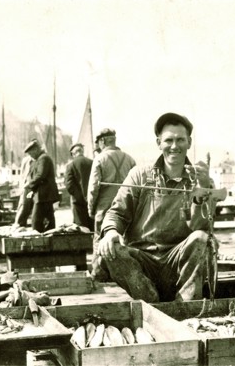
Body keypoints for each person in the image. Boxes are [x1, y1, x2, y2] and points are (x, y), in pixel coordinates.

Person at [96, 113, 216, 302]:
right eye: (168, 140)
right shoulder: (139, 176)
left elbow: (202, 228)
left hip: (178, 264)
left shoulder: (201, 181)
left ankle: (185, 306)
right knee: (110, 248)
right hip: (142, 264)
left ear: (189, 142)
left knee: (202, 239)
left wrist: (202, 191)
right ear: (159, 142)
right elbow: (117, 213)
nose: (174, 146)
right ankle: (148, 300)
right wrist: (110, 231)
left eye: (180, 140)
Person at [87, 128, 136, 280]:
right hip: (125, 206)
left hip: (104, 206)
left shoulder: (100, 159)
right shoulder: (129, 159)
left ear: (102, 141)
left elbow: (93, 188)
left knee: (99, 239)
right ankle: (123, 274)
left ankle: (99, 273)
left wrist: (91, 208)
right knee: (125, 239)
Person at [23, 139, 59, 233]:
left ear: (35, 150)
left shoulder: (43, 159)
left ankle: (40, 241)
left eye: (31, 153)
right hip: (41, 196)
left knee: (36, 222)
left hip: (44, 196)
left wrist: (29, 184)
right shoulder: (37, 160)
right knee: (48, 221)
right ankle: (49, 241)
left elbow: (40, 175)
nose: (30, 156)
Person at [64, 143, 94, 230]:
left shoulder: (70, 165)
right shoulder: (92, 162)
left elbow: (69, 185)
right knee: (92, 228)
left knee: (81, 228)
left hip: (78, 203)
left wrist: (78, 197)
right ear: (82, 151)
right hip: (92, 200)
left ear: (73, 154)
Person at [14, 152, 35, 227]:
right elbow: (23, 174)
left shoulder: (39, 159)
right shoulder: (27, 160)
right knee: (24, 206)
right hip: (27, 186)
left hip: (34, 186)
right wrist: (22, 186)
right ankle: (19, 224)